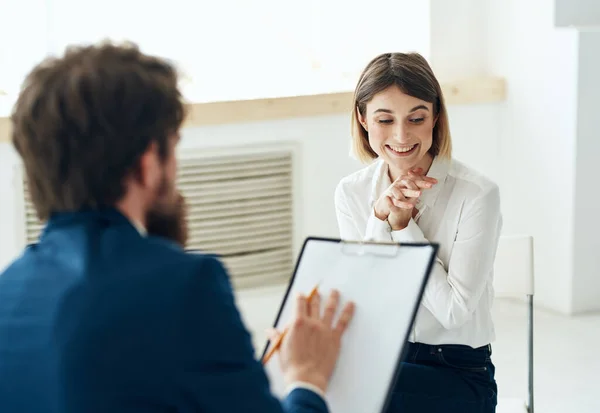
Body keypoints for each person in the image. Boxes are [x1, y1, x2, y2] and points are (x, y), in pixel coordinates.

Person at [0, 41, 355, 413]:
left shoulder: (8, 292)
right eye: (174, 145)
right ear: (150, 160)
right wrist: (307, 378)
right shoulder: (185, 286)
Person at [334, 52, 501, 413]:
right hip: (385, 357)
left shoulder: (477, 193)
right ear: (363, 119)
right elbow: (367, 300)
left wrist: (402, 226)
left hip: (458, 371)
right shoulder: (352, 192)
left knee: (346, 395)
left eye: (416, 118)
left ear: (435, 116)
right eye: (384, 119)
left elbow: (454, 313)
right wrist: (378, 216)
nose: (401, 135)